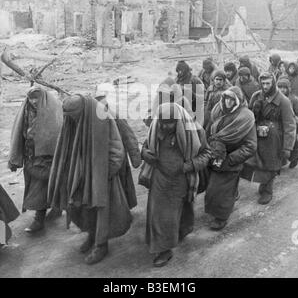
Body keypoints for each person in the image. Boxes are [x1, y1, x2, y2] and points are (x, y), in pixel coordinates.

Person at [48, 95, 134, 265]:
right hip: (80, 175)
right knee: (82, 208)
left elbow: (117, 152)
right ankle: (91, 234)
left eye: (74, 115)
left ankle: (101, 245)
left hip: (102, 178)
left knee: (102, 212)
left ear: (83, 111)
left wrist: (102, 176)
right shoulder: (72, 122)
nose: (71, 120)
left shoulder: (103, 119)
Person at [141, 102, 211, 267]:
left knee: (174, 213)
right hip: (159, 177)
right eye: (163, 123)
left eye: (170, 123)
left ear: (178, 120)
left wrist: (188, 166)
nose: (165, 126)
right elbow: (145, 146)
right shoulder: (156, 126)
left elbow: (207, 153)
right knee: (158, 213)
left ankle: (176, 235)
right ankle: (164, 248)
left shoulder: (194, 130)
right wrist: (145, 154)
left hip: (180, 179)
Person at [8, 86, 63, 233]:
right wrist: (15, 158)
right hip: (30, 155)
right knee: (38, 185)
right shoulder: (25, 109)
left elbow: (57, 132)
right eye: (30, 98)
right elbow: (19, 132)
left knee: (40, 187)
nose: (33, 101)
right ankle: (56, 207)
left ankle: (39, 220)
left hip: (47, 157)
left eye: (36, 98)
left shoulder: (53, 107)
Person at [205, 87, 257, 230]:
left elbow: (250, 146)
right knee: (216, 188)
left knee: (222, 190)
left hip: (231, 161)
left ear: (237, 101)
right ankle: (221, 207)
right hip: (215, 156)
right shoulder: (218, 112)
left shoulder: (245, 117)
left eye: (231, 99)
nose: (227, 101)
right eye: (226, 98)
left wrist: (230, 160)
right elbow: (209, 130)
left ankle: (221, 217)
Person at [241, 72, 296, 205]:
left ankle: (268, 191)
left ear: (273, 83)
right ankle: (263, 184)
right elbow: (248, 114)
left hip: (274, 138)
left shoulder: (283, 100)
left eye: (268, 83)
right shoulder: (256, 95)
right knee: (258, 161)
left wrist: (287, 147)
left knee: (271, 164)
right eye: (263, 83)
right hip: (257, 134)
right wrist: (254, 112)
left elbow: (290, 125)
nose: (265, 86)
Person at [277, 77, 298, 169]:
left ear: (288, 88)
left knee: (295, 142)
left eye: (284, 87)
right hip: (278, 125)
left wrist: (292, 117)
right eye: (280, 87)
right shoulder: (275, 98)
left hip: (291, 125)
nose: (282, 90)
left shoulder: (294, 100)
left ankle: (294, 158)